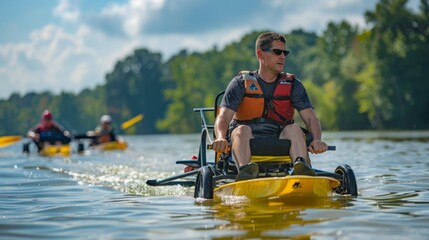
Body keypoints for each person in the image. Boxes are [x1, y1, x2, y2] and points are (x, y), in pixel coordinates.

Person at [211, 32, 328, 181]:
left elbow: (311, 118)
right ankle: (245, 173)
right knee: (241, 130)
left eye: (284, 52)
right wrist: (220, 138)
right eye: (277, 52)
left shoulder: (293, 85)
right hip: (246, 138)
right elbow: (223, 117)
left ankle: (301, 169)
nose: (282, 57)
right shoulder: (240, 83)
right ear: (260, 54)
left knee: (294, 128)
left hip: (280, 137)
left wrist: (316, 140)